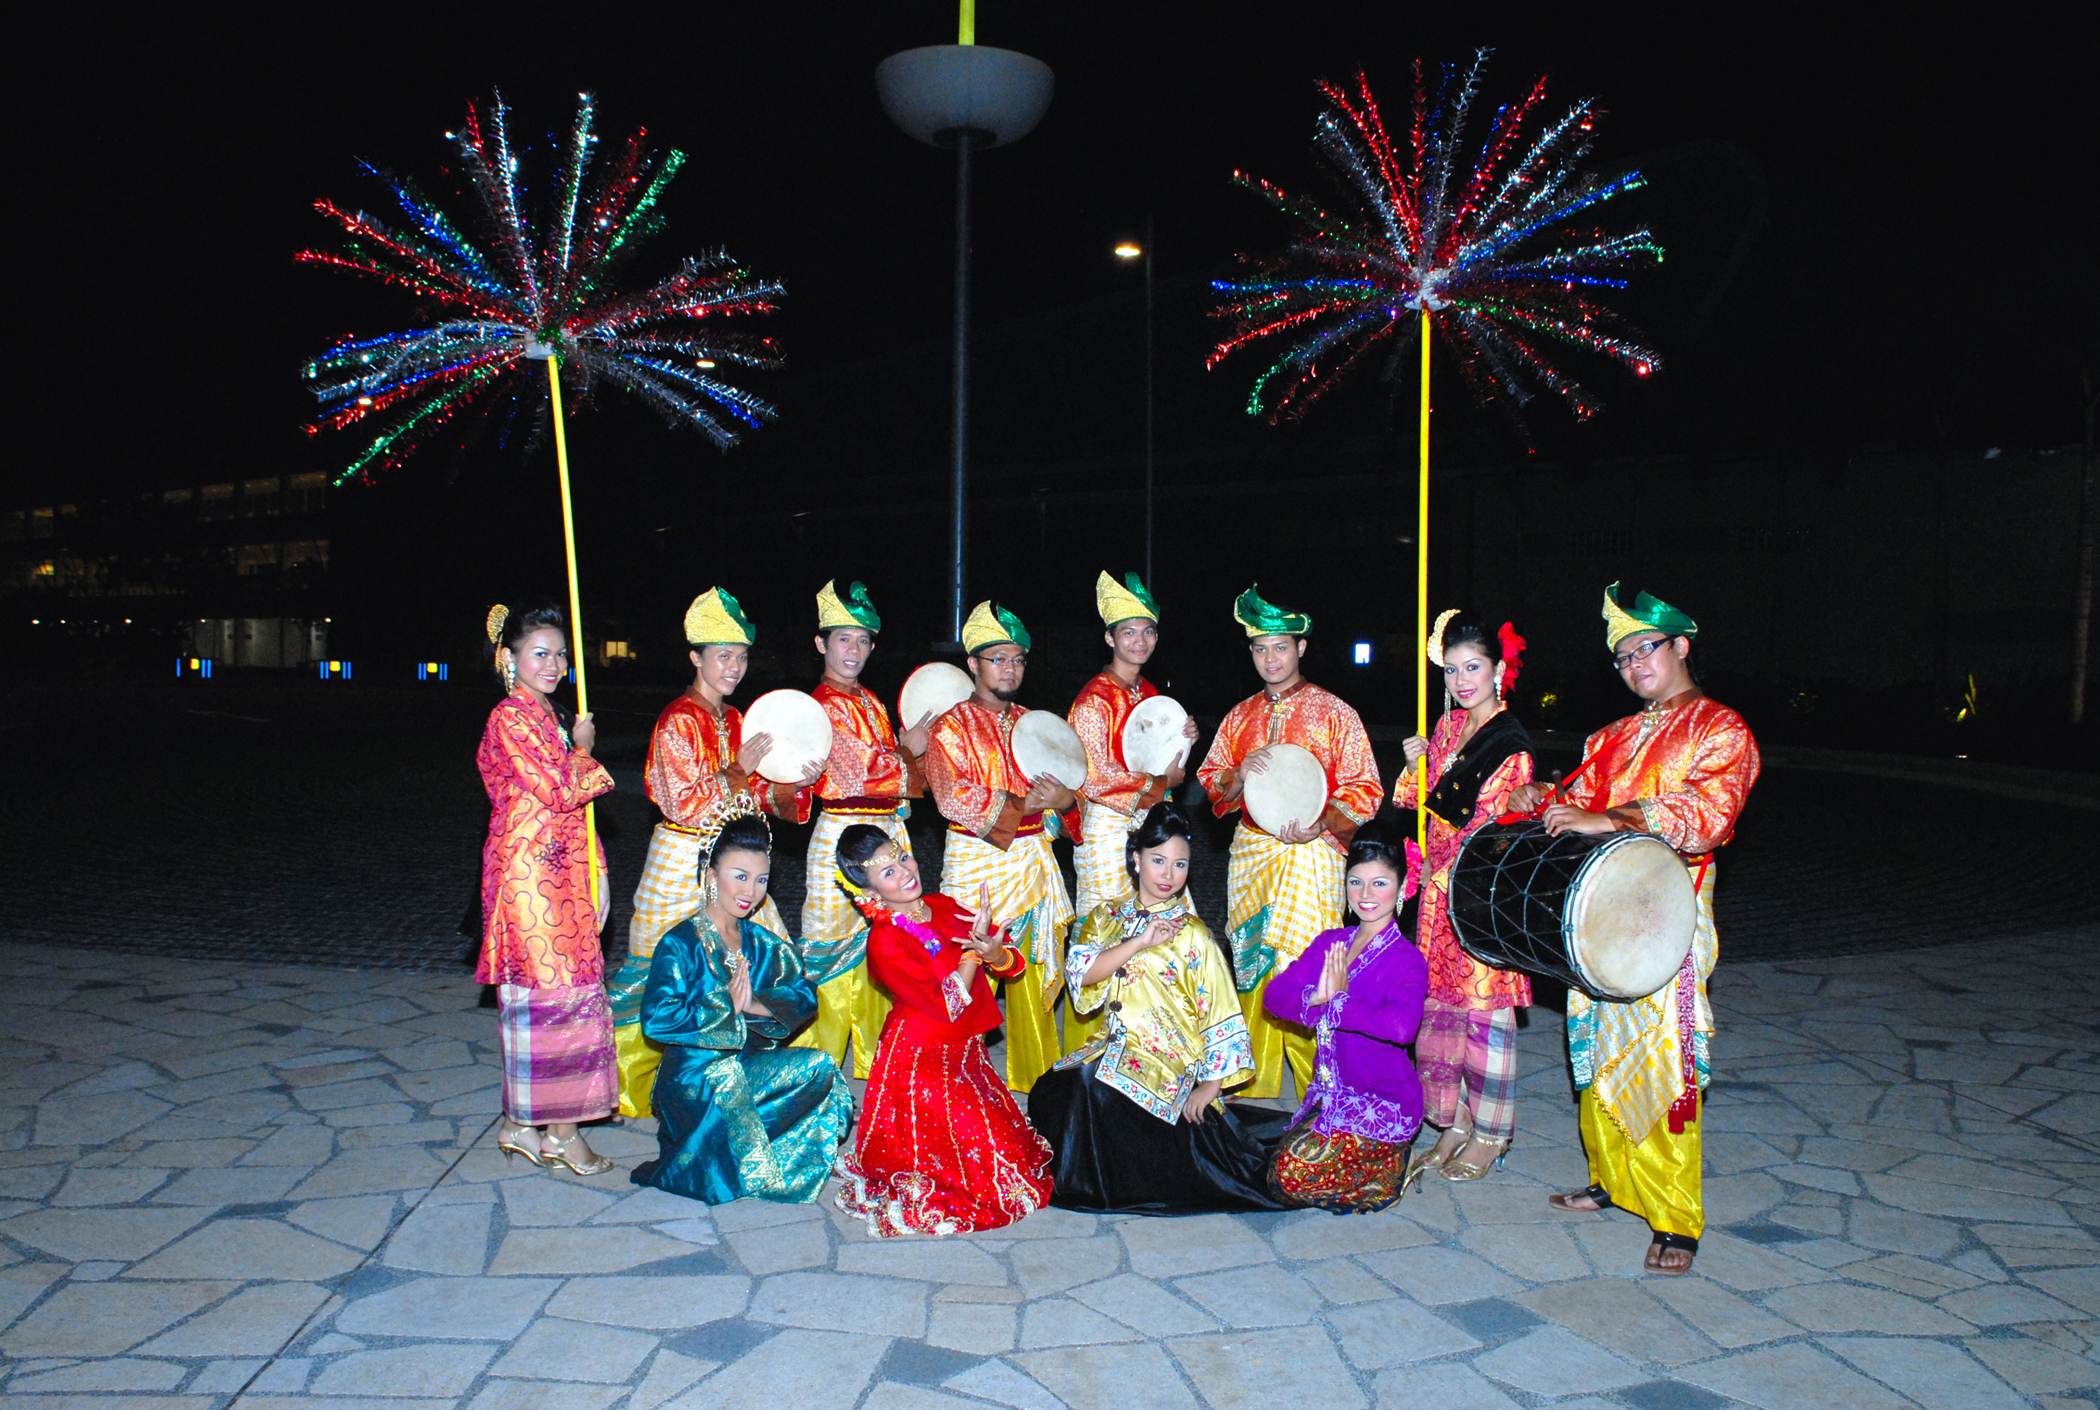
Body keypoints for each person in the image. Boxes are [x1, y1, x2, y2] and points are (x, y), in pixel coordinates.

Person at [1513, 584, 1761, 1277]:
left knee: (1661, 1062)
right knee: (1596, 1050)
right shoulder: (1611, 737)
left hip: (1666, 920)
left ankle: (1674, 1215)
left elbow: (1707, 816)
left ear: (1681, 646)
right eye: (1621, 658)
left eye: (1644, 649)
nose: (1633, 665)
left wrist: (1616, 818)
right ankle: (1610, 1180)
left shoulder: (1721, 729)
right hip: (1598, 919)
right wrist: (1544, 800)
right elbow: (1578, 805)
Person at [605, 588, 819, 1120]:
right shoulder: (678, 720)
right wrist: (739, 768)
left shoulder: (737, 718)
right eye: (723, 655)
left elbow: (756, 794)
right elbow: (684, 802)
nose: (734, 667)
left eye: (741, 656)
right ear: (695, 657)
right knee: (654, 968)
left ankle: (752, 1066)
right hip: (682, 858)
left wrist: (795, 783)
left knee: (765, 955)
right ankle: (629, 1088)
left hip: (735, 863)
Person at [1028, 803, 1279, 1214]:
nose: (1168, 875)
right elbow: (1082, 975)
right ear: (1136, 859)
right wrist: (1139, 942)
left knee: (1092, 1090)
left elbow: (1220, 1010)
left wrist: (1211, 1086)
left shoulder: (1193, 933)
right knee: (1052, 1091)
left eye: (1180, 865)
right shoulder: (1106, 917)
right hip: (1114, 1047)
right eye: (1158, 860)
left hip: (1170, 1057)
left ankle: (1110, 1184)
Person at [1195, 585, 1383, 1100]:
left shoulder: (1335, 713)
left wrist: (1322, 823)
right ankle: (1250, 1083)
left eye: (1280, 646)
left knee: (1309, 967)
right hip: (1252, 852)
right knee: (1252, 958)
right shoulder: (1239, 715)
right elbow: (1211, 780)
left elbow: (1366, 788)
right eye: (1260, 649)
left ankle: (1321, 1090)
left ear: (1300, 647)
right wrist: (1237, 774)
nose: (1270, 658)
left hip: (1312, 855)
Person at [831, 824, 1055, 1236]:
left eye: (902, 857)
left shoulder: (944, 905)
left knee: (1012, 1155)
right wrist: (973, 953)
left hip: (967, 1054)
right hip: (919, 1064)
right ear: (871, 891)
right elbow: (950, 1002)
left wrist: (994, 951)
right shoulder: (884, 942)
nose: (906, 871)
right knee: (985, 1174)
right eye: (888, 872)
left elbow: (1013, 966)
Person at [631, 816, 854, 1204]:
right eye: (740, 876)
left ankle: (751, 1156)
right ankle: (718, 1159)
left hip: (748, 1064)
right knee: (805, 1071)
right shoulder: (680, 943)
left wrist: (754, 1004)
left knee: (822, 1073)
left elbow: (804, 995)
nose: (751, 891)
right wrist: (725, 1007)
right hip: (695, 1077)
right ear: (711, 875)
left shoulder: (761, 942)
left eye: (761, 880)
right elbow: (657, 1017)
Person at [1391, 612, 1537, 1182]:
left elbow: (1492, 832)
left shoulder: (1510, 744)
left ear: (1498, 669)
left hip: (1476, 897)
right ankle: (1453, 1123)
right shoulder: (1448, 727)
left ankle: (1492, 1133)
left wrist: (1445, 869)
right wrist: (1415, 764)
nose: (1461, 680)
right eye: (1451, 670)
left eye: (1472, 667)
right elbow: (1416, 804)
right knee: (1441, 1018)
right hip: (1435, 900)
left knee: (1484, 1017)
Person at [476, 603, 619, 1176]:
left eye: (560, 654)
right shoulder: (509, 717)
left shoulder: (549, 716)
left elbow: (579, 817)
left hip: (564, 871)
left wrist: (598, 873)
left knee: (565, 994)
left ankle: (523, 1124)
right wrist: (582, 748)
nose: (555, 664)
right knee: (554, 998)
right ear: (510, 659)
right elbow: (561, 790)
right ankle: (561, 1131)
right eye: (540, 653)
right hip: (530, 879)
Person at [923, 601, 1078, 1093]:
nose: (1010, 669)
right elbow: (951, 795)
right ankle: (950, 1086)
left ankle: (1041, 1086)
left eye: (1018, 660)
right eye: (998, 659)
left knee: (1032, 978)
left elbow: (1069, 791)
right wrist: (1024, 803)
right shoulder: (951, 727)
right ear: (973, 663)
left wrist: (1066, 801)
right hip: (977, 866)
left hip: (1033, 864)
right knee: (969, 978)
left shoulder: (1037, 723)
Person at [792, 580, 926, 1080]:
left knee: (886, 944)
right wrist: (909, 751)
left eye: (863, 640)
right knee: (830, 948)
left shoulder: (870, 700)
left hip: (886, 831)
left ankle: (879, 1058)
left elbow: (891, 771)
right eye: (843, 639)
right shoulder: (821, 705)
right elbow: (858, 773)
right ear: (821, 644)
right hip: (843, 835)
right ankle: (818, 1067)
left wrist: (905, 757)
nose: (854, 649)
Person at [1062, 572, 1200, 1053]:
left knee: (1162, 925)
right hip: (1107, 829)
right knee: (1107, 932)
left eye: (1148, 632)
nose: (1139, 641)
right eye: (1128, 632)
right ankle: (1090, 1054)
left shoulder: (1150, 695)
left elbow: (1162, 761)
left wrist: (1182, 742)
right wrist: (1161, 784)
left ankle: (1152, 1045)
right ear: (1110, 638)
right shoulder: (1093, 700)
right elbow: (1094, 777)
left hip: (1149, 826)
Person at [1262, 827, 1429, 1212]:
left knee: (1288, 1176)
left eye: (1379, 883)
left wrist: (1339, 1002)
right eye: (1356, 882)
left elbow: (1402, 1028)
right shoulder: (1331, 942)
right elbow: (1274, 995)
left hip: (1384, 1105)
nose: (1366, 894)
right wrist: (1316, 997)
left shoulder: (1406, 960)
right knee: (1269, 1161)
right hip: (1332, 1098)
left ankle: (1390, 1168)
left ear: (1402, 887)